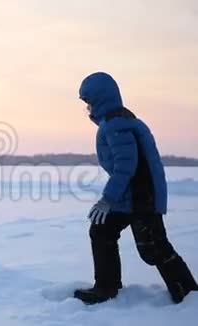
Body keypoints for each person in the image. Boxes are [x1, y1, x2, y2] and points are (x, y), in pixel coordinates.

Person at [73, 72, 198, 305]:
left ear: (99, 99)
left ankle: (190, 295)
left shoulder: (115, 125)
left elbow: (125, 167)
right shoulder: (121, 120)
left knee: (154, 248)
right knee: (102, 230)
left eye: (88, 101)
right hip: (131, 194)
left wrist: (107, 199)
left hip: (142, 196)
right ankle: (106, 287)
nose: (87, 108)